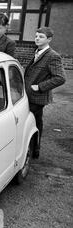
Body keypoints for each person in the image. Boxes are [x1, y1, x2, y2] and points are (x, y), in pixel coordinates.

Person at [24, 27, 66, 159]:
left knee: (29, 122)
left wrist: (40, 87)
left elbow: (60, 78)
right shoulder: (37, 52)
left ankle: (32, 149)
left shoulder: (52, 56)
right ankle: (35, 149)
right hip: (30, 95)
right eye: (36, 36)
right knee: (36, 122)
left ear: (49, 39)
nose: (37, 38)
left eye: (41, 37)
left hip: (38, 98)